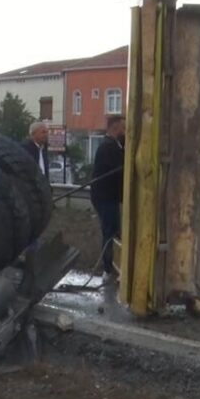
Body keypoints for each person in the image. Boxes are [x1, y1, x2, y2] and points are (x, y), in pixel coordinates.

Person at [90, 115, 126, 280]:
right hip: (105, 197)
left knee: (114, 231)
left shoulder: (115, 145)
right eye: (122, 128)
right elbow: (120, 168)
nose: (124, 131)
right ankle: (108, 269)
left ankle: (112, 267)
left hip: (109, 197)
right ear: (115, 127)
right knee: (110, 232)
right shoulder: (108, 147)